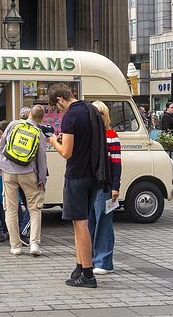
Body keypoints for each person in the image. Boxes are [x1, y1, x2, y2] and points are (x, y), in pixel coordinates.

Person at [48, 83, 109, 288]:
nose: (59, 111)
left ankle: (88, 275)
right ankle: (80, 267)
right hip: (94, 174)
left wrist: (53, 141)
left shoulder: (70, 117)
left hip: (77, 175)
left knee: (81, 225)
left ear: (60, 99)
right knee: (78, 224)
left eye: (57, 108)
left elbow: (67, 152)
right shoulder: (91, 109)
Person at [0, 105, 48, 256]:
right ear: (41, 119)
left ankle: (16, 246)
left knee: (11, 209)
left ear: (29, 114)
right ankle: (34, 244)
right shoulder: (39, 134)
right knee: (34, 209)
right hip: (28, 172)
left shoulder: (13, 125)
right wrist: (41, 179)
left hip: (9, 172)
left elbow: (1, 146)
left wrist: (3, 163)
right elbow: (42, 160)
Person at [88, 101, 121, 275]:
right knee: (90, 223)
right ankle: (92, 259)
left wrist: (116, 186)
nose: (98, 115)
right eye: (95, 112)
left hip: (105, 185)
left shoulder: (111, 135)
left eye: (101, 112)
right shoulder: (88, 134)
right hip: (89, 185)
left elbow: (116, 163)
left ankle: (104, 261)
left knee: (103, 222)